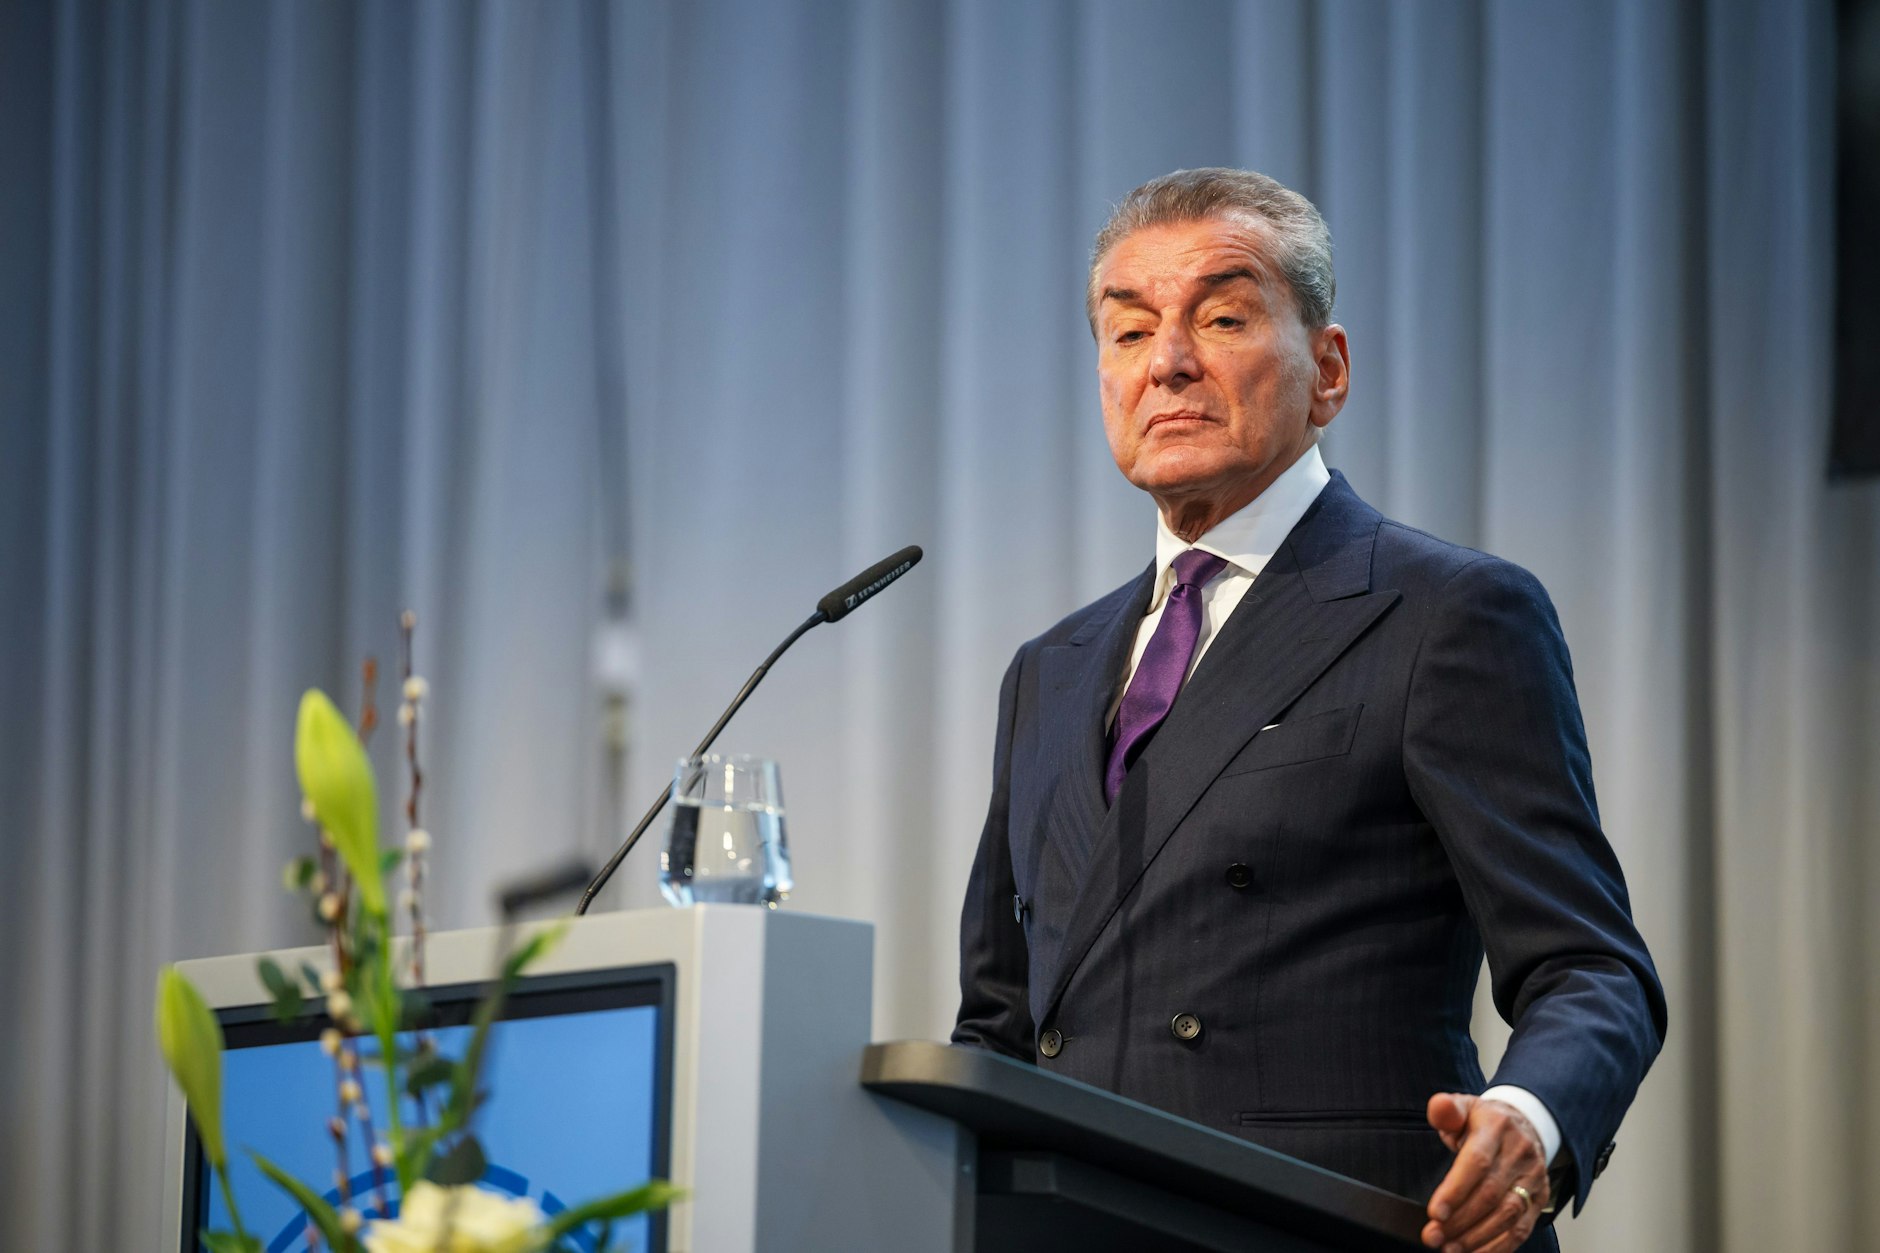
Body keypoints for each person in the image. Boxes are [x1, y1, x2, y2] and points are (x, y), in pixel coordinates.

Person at [952, 168, 1666, 1253]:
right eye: (1128, 331)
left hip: (1334, 1220)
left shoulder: (1443, 611)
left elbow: (1589, 963)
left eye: (1222, 317)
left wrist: (1528, 1119)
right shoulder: (1046, 669)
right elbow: (998, 1020)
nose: (1168, 362)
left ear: (1325, 372)